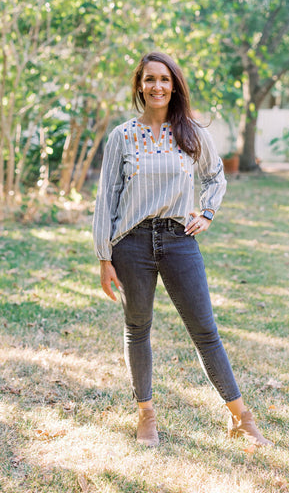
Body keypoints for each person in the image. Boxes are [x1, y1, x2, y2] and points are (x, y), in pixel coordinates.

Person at [93, 51, 272, 448]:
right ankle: (146, 415)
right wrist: (104, 256)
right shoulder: (122, 136)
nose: (157, 86)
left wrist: (206, 213)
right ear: (140, 85)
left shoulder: (191, 132)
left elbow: (215, 177)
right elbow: (107, 198)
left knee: (205, 330)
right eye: (150, 79)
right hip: (131, 244)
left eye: (165, 79)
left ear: (174, 86)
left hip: (178, 240)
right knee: (137, 328)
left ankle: (240, 418)